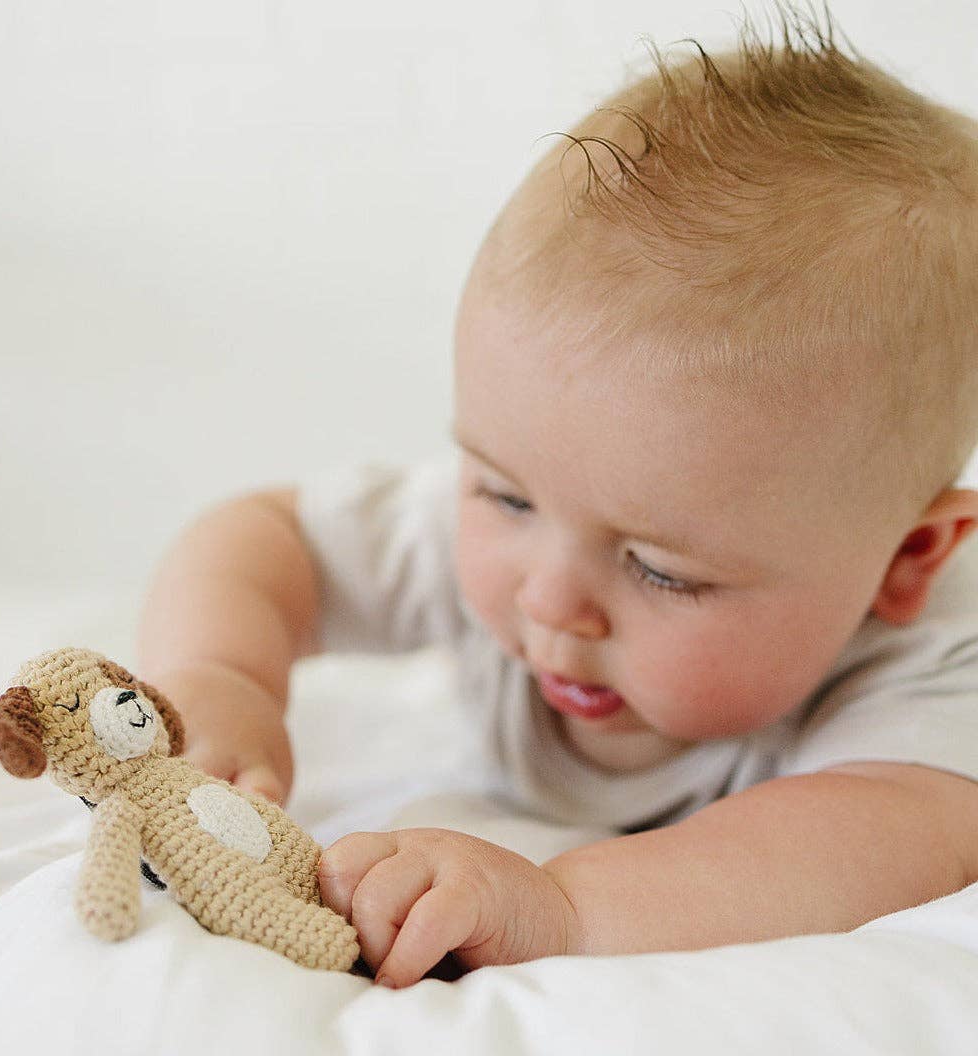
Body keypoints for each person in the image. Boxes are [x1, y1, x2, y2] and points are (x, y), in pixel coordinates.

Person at [136, 3, 978, 988]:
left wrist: (563, 906)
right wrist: (221, 677)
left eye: (659, 570)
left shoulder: (932, 673)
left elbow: (869, 846)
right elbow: (264, 536)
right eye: (504, 496)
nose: (547, 599)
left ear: (906, 560)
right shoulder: (544, 520)